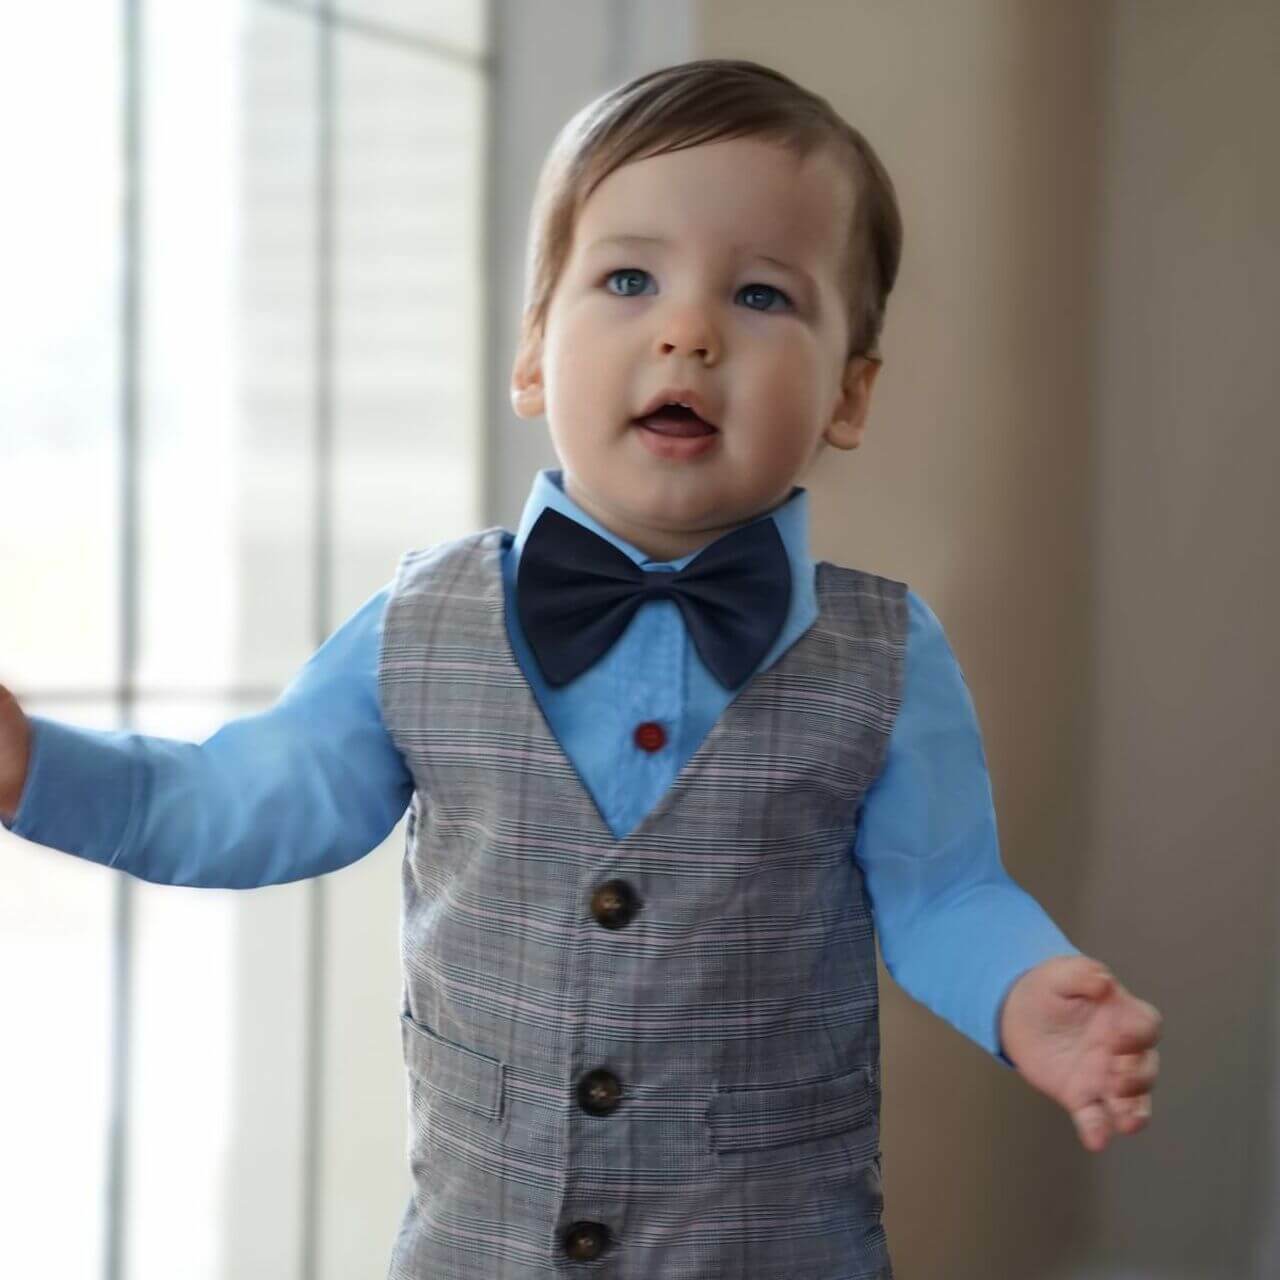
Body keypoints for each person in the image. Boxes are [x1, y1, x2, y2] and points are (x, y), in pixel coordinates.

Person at [0, 58, 1161, 1279]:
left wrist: (1024, 989)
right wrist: (40, 770)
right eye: (626, 278)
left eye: (762, 294)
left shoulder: (883, 653)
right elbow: (234, 803)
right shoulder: (419, 620)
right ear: (532, 357)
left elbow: (945, 893)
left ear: (847, 393)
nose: (688, 328)